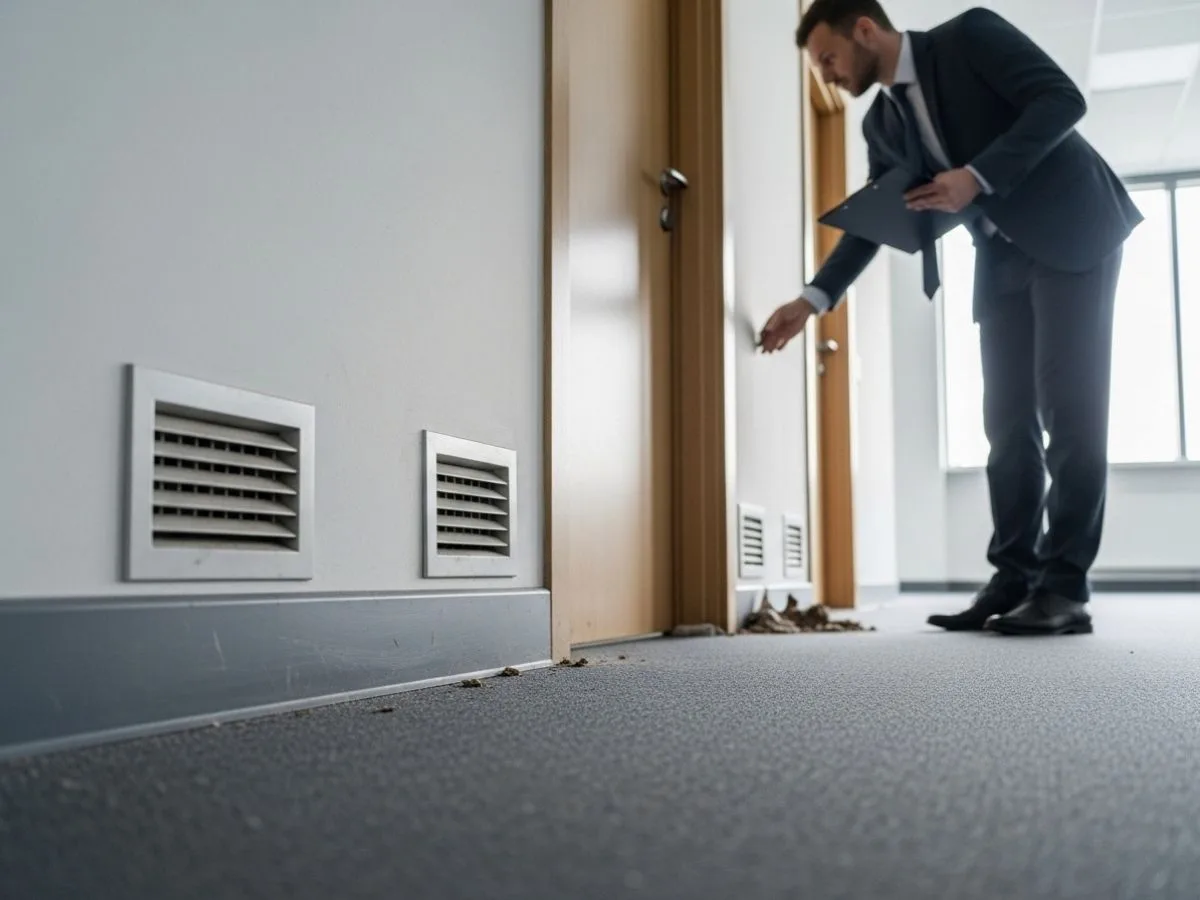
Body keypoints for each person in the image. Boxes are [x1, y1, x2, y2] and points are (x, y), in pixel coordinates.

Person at [760, 0, 1143, 636]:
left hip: (1072, 229)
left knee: (1068, 410)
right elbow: (876, 221)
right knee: (1006, 422)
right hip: (1000, 257)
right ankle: (1015, 577)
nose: (826, 75)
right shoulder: (881, 124)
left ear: (864, 30)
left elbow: (1061, 99)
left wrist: (977, 175)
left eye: (827, 58)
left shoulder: (969, 36)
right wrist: (812, 299)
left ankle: (1065, 587)